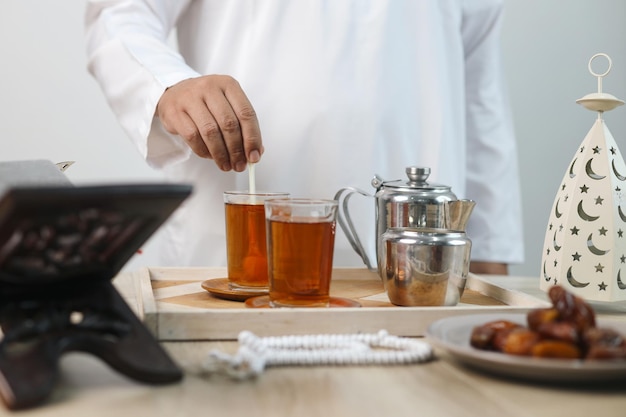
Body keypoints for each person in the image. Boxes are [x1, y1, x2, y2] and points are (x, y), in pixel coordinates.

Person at [85, 0, 523, 274]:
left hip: (420, 267)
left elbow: (479, 103)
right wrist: (168, 85)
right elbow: (120, 12)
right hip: (235, 244)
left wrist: (489, 260)